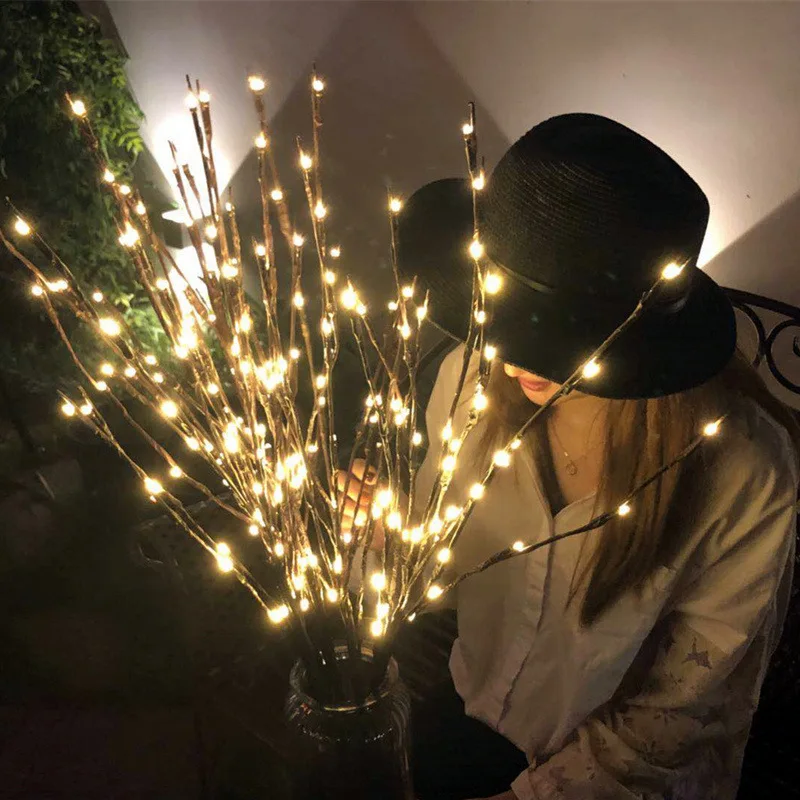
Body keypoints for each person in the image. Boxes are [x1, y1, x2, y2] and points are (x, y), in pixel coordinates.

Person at [339, 114, 800, 799]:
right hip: (471, 709)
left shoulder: (744, 475)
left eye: (556, 335)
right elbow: (443, 566)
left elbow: (671, 722)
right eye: (506, 319)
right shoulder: (470, 382)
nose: (512, 358)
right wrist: (384, 539)